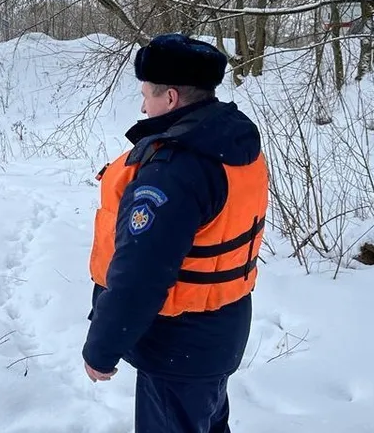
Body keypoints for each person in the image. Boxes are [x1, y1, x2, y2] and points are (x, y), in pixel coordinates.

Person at [81, 33, 269, 433]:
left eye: (146, 93)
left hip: (177, 346)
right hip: (217, 335)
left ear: (169, 98)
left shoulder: (173, 171)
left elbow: (140, 277)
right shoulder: (231, 140)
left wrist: (102, 348)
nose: (142, 104)